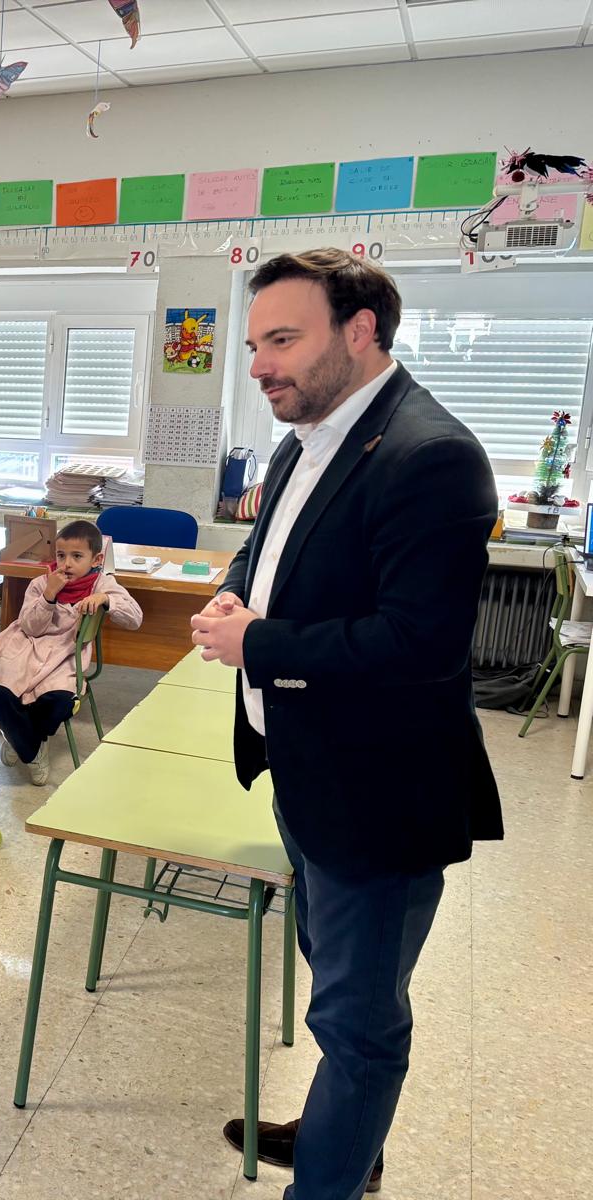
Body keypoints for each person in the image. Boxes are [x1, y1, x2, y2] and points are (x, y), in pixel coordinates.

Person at [190, 249, 501, 1200]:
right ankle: (345, 1138)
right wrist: (234, 592)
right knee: (336, 983)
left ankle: (328, 1179)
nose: (259, 366)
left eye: (283, 340)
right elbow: (267, 549)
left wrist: (259, 641)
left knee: (361, 1025)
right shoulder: (307, 437)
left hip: (381, 795)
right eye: (255, 344)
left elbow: (420, 644)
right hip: (307, 771)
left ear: (360, 331)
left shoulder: (431, 456)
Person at [0, 519, 142, 785]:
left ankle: (19, 739)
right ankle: (32, 749)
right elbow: (31, 627)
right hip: (25, 651)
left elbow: (135, 618)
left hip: (64, 659)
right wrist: (49, 595)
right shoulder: (41, 583)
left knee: (59, 703)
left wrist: (106, 599)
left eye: (76, 556)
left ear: (96, 559)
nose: (66, 563)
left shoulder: (101, 584)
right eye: (60, 555)